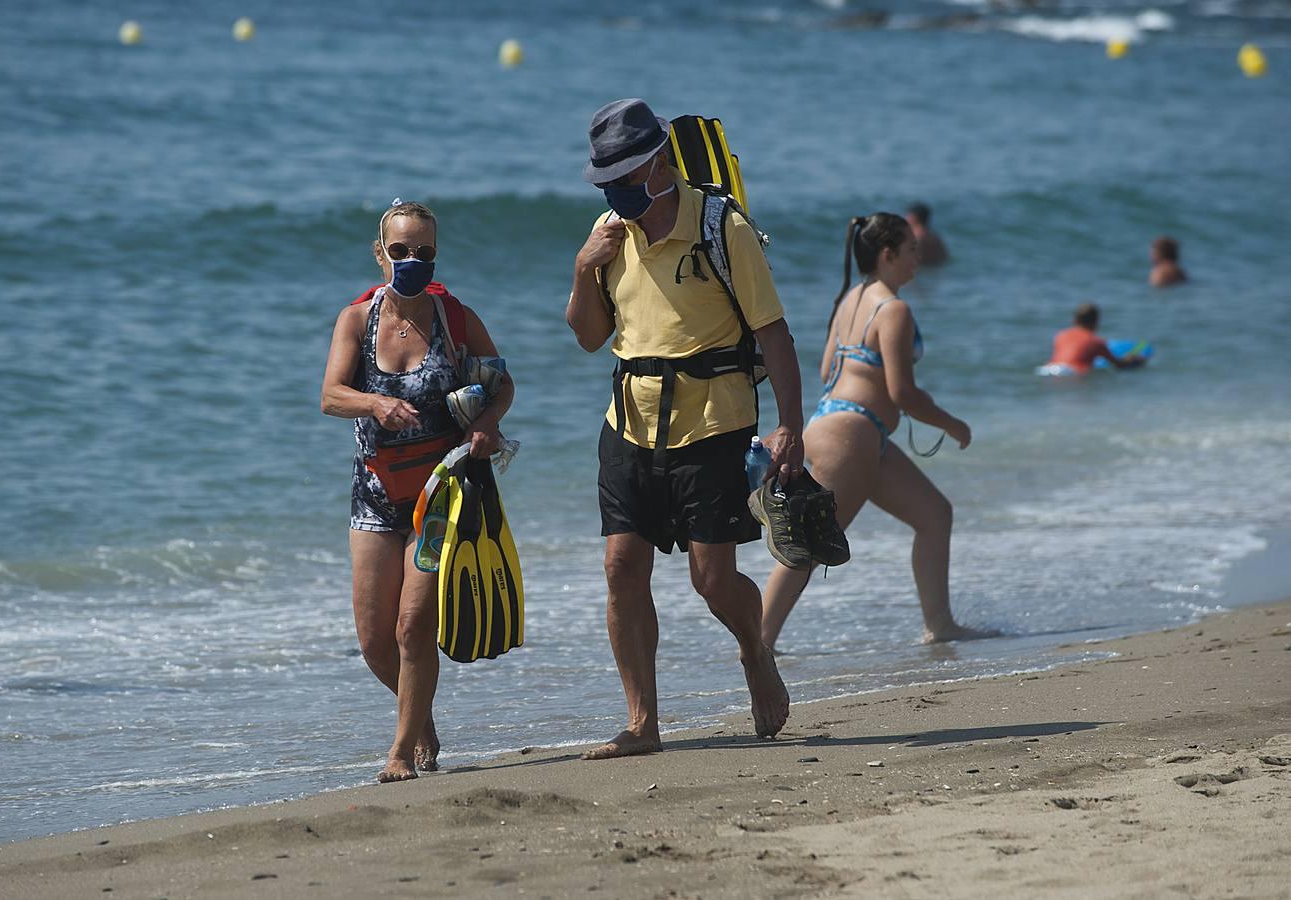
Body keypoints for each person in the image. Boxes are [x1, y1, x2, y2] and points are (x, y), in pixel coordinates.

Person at [566, 98, 828, 759]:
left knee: (711, 579)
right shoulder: (608, 233)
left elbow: (774, 334)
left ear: (658, 166)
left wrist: (790, 427)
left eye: (624, 178)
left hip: (713, 423)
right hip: (628, 423)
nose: (615, 192)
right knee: (620, 567)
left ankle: (754, 650)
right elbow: (590, 338)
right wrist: (582, 267)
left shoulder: (721, 227)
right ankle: (642, 722)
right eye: (606, 182)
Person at [320, 201, 513, 782]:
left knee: (412, 626)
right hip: (375, 492)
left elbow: (501, 383)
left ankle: (401, 752)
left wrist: (486, 423)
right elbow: (330, 395)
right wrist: (375, 401)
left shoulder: (455, 318)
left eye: (423, 252)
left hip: (442, 494)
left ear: (435, 255)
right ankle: (421, 719)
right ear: (380, 255)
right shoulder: (358, 321)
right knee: (375, 641)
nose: (411, 261)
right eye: (400, 251)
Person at [760, 214, 998, 648]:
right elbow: (903, 392)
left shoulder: (852, 297)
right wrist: (952, 424)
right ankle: (757, 644)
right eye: (911, 250)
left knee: (933, 514)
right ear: (887, 255)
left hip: (842, 427)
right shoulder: (894, 309)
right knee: (811, 545)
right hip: (852, 437)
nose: (918, 258)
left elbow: (826, 367)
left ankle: (940, 625)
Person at [1046, 303, 1143, 374]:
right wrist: (1133, 360)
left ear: (1075, 320)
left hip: (1049, 369)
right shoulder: (1095, 341)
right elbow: (1118, 364)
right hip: (1072, 373)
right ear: (1096, 322)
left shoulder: (1061, 336)